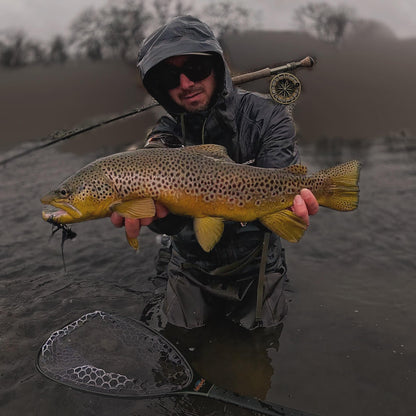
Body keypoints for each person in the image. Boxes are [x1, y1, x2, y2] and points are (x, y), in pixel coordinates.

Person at [111, 15, 319, 330]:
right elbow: (155, 158)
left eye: (195, 68)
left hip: (259, 264)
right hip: (190, 266)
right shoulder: (165, 133)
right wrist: (162, 217)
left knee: (260, 355)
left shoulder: (268, 118)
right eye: (169, 77)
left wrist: (286, 212)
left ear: (217, 67)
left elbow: (279, 187)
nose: (185, 84)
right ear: (159, 88)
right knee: (180, 342)